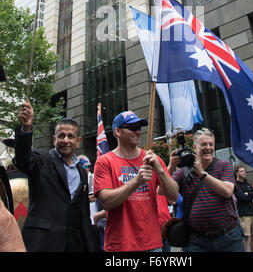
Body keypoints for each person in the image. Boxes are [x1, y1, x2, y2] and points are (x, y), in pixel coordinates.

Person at [13, 101, 97, 252]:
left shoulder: (81, 172)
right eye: (61, 135)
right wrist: (26, 128)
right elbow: (23, 160)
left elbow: (83, 214)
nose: (65, 140)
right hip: (43, 243)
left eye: (70, 136)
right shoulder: (41, 161)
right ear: (54, 139)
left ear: (78, 142)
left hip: (73, 245)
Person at [93, 110, 178, 252]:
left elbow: (173, 196)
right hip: (120, 245)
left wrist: (161, 171)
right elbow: (106, 201)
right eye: (132, 128)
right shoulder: (104, 162)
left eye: (139, 128)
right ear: (117, 131)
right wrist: (136, 182)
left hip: (153, 244)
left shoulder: (152, 159)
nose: (138, 132)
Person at [169, 128, 244, 252]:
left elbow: (227, 191)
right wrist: (171, 167)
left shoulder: (224, 166)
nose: (208, 148)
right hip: (199, 241)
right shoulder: (183, 172)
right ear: (195, 147)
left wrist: (202, 174)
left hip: (229, 238)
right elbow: (164, 193)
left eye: (211, 144)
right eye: (204, 144)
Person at [234, 164, 253, 252]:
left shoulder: (247, 183)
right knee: (245, 237)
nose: (243, 173)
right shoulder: (236, 185)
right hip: (244, 215)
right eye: (241, 171)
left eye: (244, 171)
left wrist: (249, 194)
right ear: (237, 173)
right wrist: (249, 195)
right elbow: (241, 197)